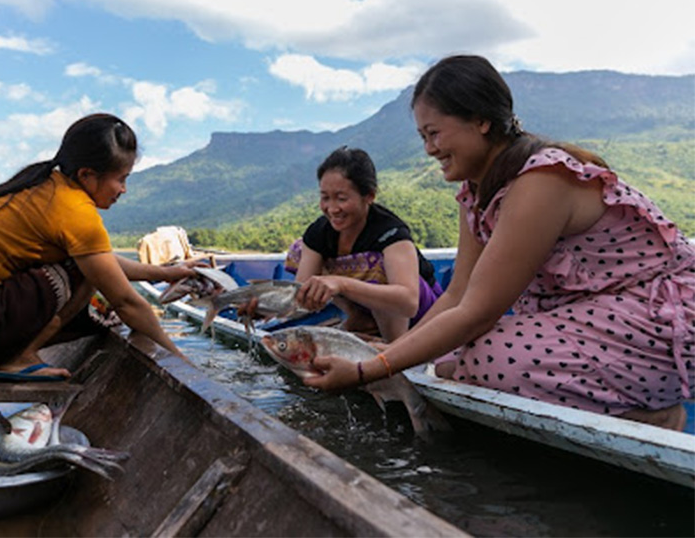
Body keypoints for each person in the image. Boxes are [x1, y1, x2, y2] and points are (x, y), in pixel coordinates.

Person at [303, 55, 694, 430]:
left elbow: (477, 313)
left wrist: (367, 369)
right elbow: (457, 295)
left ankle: (651, 416)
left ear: (481, 121)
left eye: (435, 133)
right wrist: (390, 357)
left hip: (658, 318)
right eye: (423, 136)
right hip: (599, 317)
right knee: (445, 360)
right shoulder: (476, 194)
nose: (429, 149)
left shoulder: (541, 182)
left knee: (492, 359)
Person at [0, 113, 197, 389]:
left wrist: (163, 273)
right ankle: (20, 358)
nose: (123, 190)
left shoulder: (47, 186)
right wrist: (180, 361)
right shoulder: (74, 210)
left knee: (88, 272)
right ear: (87, 175)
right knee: (84, 273)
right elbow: (125, 302)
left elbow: (102, 260)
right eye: (121, 179)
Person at [285, 146, 442, 342]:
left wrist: (341, 284)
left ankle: (394, 344)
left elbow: (409, 302)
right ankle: (361, 320)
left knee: (376, 263)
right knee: (300, 249)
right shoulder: (319, 232)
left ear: (369, 196)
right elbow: (301, 293)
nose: (332, 209)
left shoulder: (390, 232)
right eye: (325, 197)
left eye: (341, 198)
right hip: (370, 307)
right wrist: (261, 306)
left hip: (423, 315)